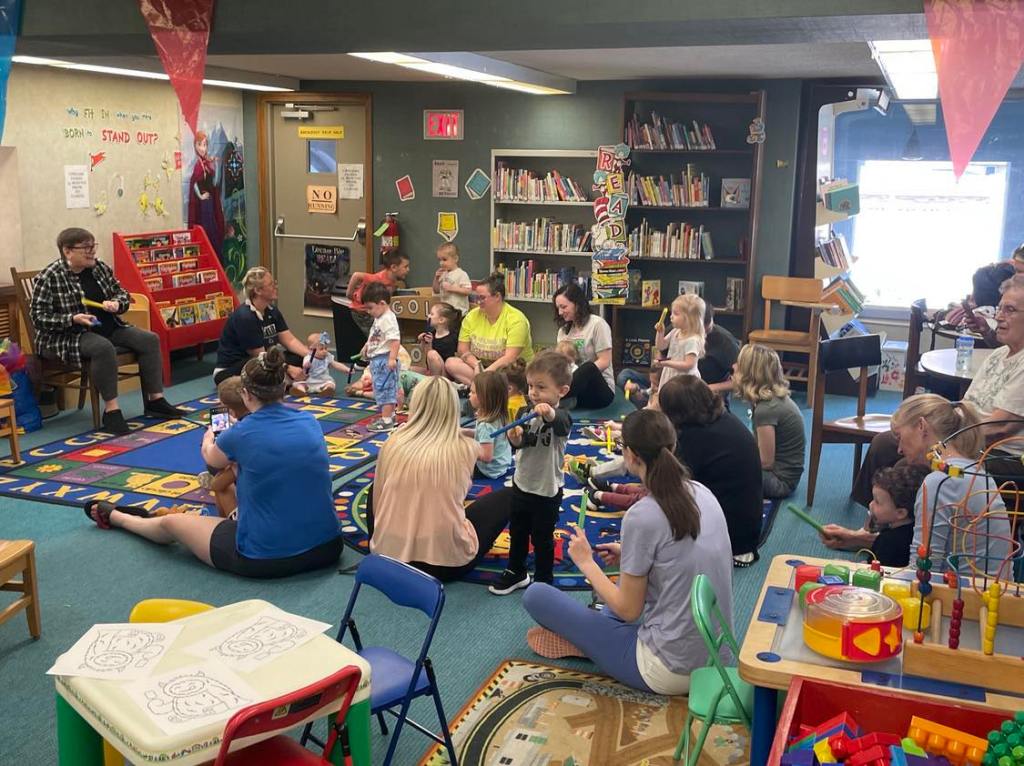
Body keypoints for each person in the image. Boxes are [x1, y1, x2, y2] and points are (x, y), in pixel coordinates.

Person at [521, 409, 733, 695]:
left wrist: (586, 562)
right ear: (672, 446)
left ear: (630, 456)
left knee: (536, 595)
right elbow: (682, 554)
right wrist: (627, 553)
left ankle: (591, 643)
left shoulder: (642, 515)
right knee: (626, 579)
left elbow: (629, 611)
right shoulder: (702, 492)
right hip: (716, 658)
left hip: (666, 670)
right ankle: (596, 639)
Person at [84, 346, 343, 578]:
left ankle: (119, 518)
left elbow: (212, 459)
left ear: (245, 394)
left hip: (265, 557)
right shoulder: (310, 421)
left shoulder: (240, 433)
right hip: (328, 547)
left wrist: (210, 437)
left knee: (171, 524)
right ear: (282, 387)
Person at [852, 273, 1024, 506]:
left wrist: (940, 439)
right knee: (885, 443)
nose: (1000, 316)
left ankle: (896, 525)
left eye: (1010, 310)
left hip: (999, 456)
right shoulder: (1000, 354)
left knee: (908, 466)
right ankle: (873, 518)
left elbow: (1000, 427)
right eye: (1000, 308)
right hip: (966, 437)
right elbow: (966, 405)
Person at [834, 395, 1012, 575]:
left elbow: (922, 572)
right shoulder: (974, 470)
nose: (899, 449)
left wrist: (855, 572)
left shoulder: (939, 482)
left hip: (965, 590)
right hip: (992, 587)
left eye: (900, 437)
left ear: (921, 426)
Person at [30, 228, 184, 434]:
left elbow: (122, 293)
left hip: (108, 326)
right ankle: (112, 411)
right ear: (67, 251)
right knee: (103, 348)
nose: (92, 251)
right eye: (86, 248)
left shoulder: (100, 268)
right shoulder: (49, 276)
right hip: (67, 335)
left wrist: (117, 303)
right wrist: (72, 319)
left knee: (149, 339)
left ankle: (155, 401)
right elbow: (38, 317)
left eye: (93, 246)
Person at [367, 376, 512, 582]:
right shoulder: (466, 449)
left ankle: (388, 541)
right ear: (453, 408)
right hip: (443, 565)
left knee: (378, 487)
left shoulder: (394, 442)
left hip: (388, 556)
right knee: (509, 496)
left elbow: (377, 504)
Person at [658, 375, 765, 566]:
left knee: (661, 502)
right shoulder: (723, 418)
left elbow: (669, 483)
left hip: (730, 539)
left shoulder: (694, 437)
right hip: (747, 528)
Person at [489, 351, 572, 595]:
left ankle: (544, 580)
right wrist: (514, 438)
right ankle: (517, 571)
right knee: (517, 531)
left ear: (562, 391)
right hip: (522, 483)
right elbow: (522, 443)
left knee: (542, 537)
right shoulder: (525, 412)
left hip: (547, 490)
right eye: (531, 386)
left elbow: (561, 423)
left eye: (541, 387)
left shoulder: (562, 417)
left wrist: (549, 412)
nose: (533, 393)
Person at [214, 266, 312, 385]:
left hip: (265, 360)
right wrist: (288, 368)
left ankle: (283, 379)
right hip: (232, 369)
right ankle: (283, 380)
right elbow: (261, 356)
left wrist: (311, 356)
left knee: (299, 357)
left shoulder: (272, 311)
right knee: (261, 365)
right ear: (258, 291)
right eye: (271, 284)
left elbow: (290, 341)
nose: (275, 287)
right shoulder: (245, 317)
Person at [820, 464, 931, 567]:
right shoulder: (916, 531)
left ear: (900, 513)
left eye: (877, 502)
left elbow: (874, 573)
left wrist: (849, 566)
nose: (871, 504)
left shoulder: (887, 541)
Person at [734, 343, 806, 499]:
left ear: (750, 374)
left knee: (723, 468)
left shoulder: (766, 410)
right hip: (783, 475)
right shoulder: (771, 400)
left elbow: (766, 462)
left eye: (739, 365)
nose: (734, 367)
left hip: (779, 481)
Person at [445, 273, 535, 386]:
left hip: (511, 370)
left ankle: (480, 386)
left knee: (507, 376)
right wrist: (476, 365)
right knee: (451, 363)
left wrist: (485, 374)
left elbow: (510, 358)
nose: (477, 302)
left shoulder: (516, 319)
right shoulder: (471, 316)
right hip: (482, 368)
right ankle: (483, 386)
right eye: (476, 297)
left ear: (497, 296)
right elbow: (462, 350)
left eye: (482, 298)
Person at [622, 293, 706, 408]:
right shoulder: (676, 331)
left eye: (676, 314)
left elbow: (689, 365)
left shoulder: (692, 340)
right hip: (671, 374)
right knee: (664, 402)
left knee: (677, 406)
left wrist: (666, 363)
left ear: (689, 318)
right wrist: (660, 333)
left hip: (684, 381)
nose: (671, 317)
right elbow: (661, 346)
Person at [553, 282, 615, 410]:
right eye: (558, 308)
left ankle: (552, 397)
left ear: (577, 304)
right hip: (574, 391)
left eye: (563, 307)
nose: (560, 312)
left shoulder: (597, 324)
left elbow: (605, 361)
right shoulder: (563, 331)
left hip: (599, 391)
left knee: (588, 368)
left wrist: (578, 375)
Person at [199, 375, 250, 518]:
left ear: (231, 411)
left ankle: (224, 523)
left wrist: (208, 438)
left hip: (257, 523)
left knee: (219, 480)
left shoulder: (236, 437)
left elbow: (217, 483)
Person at [360, 282, 401, 432]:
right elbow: (375, 336)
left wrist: (392, 358)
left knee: (386, 389)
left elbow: (395, 340)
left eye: (370, 307)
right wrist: (367, 346)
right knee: (380, 388)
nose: (369, 311)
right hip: (378, 360)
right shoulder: (380, 318)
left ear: (382, 303)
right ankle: (390, 416)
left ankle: (387, 420)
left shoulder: (388, 319)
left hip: (385, 359)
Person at [346, 252, 411, 337]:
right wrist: (349, 294)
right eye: (405, 267)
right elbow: (356, 275)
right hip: (362, 313)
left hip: (374, 311)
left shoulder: (392, 280)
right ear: (394, 267)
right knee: (378, 337)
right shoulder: (378, 279)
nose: (408, 269)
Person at [467, 369, 512, 479]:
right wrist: (464, 432)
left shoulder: (485, 425)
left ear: (484, 398)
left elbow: (486, 456)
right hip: (502, 464)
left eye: (473, 392)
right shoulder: (499, 415)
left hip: (489, 471)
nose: (469, 394)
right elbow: (486, 437)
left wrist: (466, 449)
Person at [187, 130, 225, 258]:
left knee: (212, 229)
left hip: (209, 203)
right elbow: (194, 183)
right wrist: (200, 195)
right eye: (199, 145)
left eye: (204, 145)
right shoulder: (198, 165)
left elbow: (214, 183)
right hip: (204, 205)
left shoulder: (207, 163)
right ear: (195, 146)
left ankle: (215, 255)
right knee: (207, 230)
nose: (202, 148)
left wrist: (217, 166)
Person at [415, 302, 460, 376]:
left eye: (432, 314)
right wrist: (423, 341)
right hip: (431, 370)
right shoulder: (432, 333)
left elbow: (432, 357)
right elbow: (426, 354)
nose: (429, 316)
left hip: (445, 374)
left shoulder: (451, 338)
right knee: (409, 370)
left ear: (441, 320)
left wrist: (430, 345)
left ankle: (436, 382)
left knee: (432, 354)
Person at [432, 242, 473, 315]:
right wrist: (436, 278)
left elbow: (468, 291)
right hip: (445, 312)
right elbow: (436, 290)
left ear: (455, 259)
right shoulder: (443, 274)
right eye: (439, 260)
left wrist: (451, 288)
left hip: (459, 312)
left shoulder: (461, 274)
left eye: (444, 259)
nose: (441, 263)